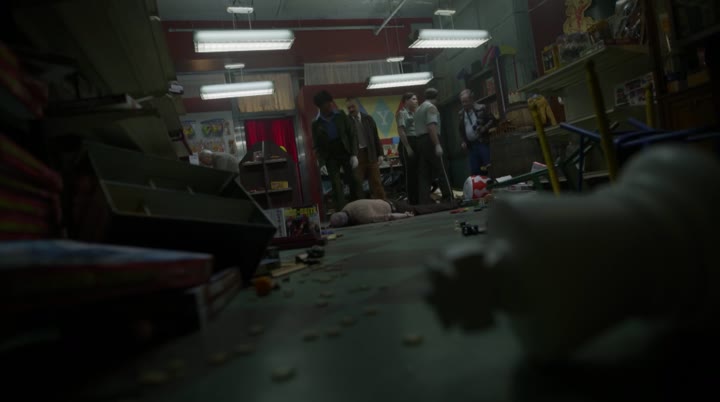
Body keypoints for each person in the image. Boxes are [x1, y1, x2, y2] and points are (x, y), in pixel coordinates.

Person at [311, 90, 361, 211]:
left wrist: (354, 154)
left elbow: (352, 134)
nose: (330, 106)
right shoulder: (316, 123)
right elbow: (317, 145)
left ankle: (358, 208)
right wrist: (321, 163)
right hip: (330, 155)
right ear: (320, 107)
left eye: (331, 103)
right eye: (327, 104)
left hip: (345, 150)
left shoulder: (341, 115)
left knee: (354, 180)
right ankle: (342, 212)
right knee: (336, 184)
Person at [414, 87, 452, 204]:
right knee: (441, 169)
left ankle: (424, 201)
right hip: (431, 140)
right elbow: (431, 126)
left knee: (424, 173)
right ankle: (448, 198)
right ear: (436, 98)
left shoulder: (418, 109)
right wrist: (437, 144)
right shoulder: (431, 107)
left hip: (420, 141)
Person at [345, 98, 386, 199]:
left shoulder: (368, 119)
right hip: (356, 156)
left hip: (371, 153)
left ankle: (382, 204)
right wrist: (350, 156)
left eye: (353, 107)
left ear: (358, 106)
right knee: (357, 185)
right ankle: (361, 206)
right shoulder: (346, 122)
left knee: (376, 182)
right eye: (348, 108)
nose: (351, 109)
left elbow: (375, 137)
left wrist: (380, 154)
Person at [329, 198, 456, 227]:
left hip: (395, 208)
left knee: (423, 210)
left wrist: (405, 215)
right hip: (386, 201)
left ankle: (454, 204)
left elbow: (388, 217)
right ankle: (452, 203)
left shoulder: (363, 217)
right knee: (422, 207)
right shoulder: (347, 207)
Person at [458, 89, 497, 176]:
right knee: (475, 172)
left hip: (482, 142)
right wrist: (463, 141)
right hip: (471, 146)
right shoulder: (461, 114)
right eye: (462, 102)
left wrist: (484, 128)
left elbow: (492, 120)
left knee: (488, 167)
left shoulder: (481, 108)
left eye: (466, 101)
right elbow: (461, 130)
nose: (464, 104)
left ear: (471, 100)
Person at [396, 92, 419, 204]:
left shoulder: (417, 112)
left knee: (418, 172)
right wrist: (408, 147)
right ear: (406, 101)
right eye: (413, 99)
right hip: (407, 142)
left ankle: (420, 198)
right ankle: (412, 200)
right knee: (409, 173)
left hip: (417, 141)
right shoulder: (402, 113)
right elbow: (401, 131)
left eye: (416, 99)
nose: (416, 101)